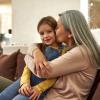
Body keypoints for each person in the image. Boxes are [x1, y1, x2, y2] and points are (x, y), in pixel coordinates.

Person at [25, 10, 100, 100]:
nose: (55, 32)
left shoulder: (81, 52)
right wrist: (36, 52)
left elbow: (43, 71)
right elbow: (35, 45)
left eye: (57, 28)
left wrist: (27, 57)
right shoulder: (73, 49)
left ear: (70, 32)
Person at [0, 16, 67, 100]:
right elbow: (28, 67)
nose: (45, 36)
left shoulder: (63, 51)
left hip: (39, 88)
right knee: (3, 96)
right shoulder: (39, 47)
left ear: (55, 31)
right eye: (42, 33)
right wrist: (24, 83)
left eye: (49, 32)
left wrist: (39, 88)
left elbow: (56, 77)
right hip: (25, 81)